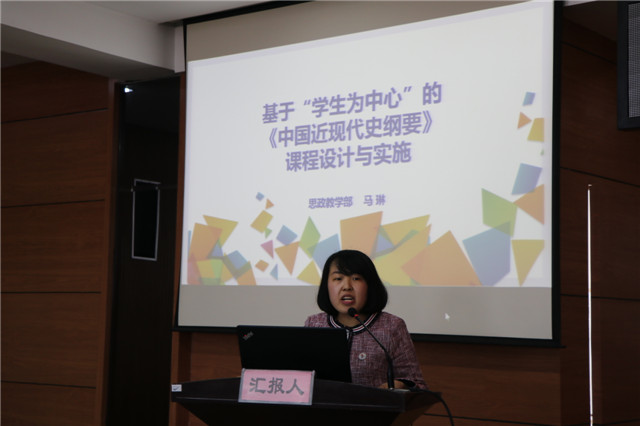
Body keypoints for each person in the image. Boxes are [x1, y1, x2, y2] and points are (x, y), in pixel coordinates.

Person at [305, 249, 427, 390]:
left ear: (370, 285)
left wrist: (399, 385)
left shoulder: (391, 326)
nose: (347, 287)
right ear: (326, 285)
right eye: (338, 279)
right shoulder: (314, 324)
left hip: (375, 404)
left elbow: (417, 384)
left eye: (356, 278)